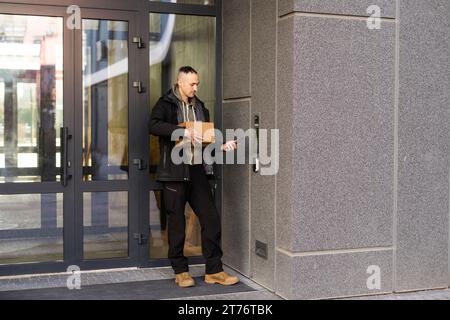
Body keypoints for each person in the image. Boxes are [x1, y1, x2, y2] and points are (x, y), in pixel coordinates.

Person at [149, 66, 239, 288]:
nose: (196, 87)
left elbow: (206, 137)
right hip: (175, 172)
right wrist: (181, 132)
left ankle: (214, 271)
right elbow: (153, 125)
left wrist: (222, 145)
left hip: (197, 170)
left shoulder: (200, 107)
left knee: (211, 219)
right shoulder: (166, 103)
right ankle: (181, 271)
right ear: (180, 83)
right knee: (177, 223)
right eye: (192, 84)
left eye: (197, 83)